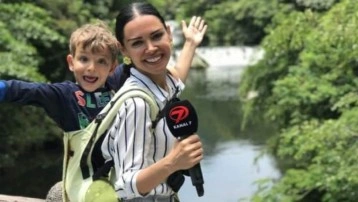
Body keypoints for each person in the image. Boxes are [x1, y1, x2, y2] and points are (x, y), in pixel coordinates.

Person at [1, 16, 206, 202]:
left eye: (101, 61)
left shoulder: (118, 83)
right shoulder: (63, 96)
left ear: (111, 67)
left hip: (122, 184)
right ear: (71, 62)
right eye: (84, 59)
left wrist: (190, 43)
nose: (91, 67)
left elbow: (172, 78)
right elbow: (23, 90)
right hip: (87, 190)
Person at [101, 2, 207, 201]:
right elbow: (125, 186)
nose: (151, 48)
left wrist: (191, 43)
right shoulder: (136, 104)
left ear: (168, 33)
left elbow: (177, 79)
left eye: (157, 36)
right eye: (137, 43)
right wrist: (173, 162)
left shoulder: (162, 82)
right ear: (123, 49)